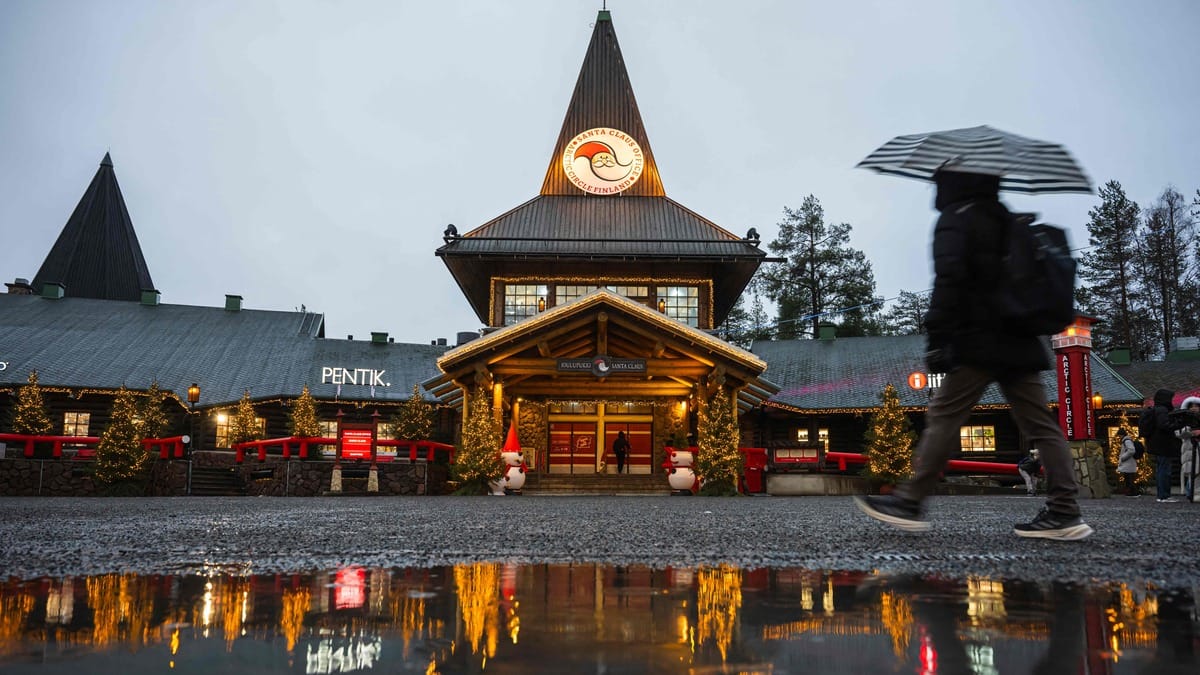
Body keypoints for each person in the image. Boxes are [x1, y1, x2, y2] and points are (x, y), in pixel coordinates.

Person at [854, 168, 1093, 541]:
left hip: (978, 338)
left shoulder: (957, 219)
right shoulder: (1007, 218)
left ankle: (910, 502)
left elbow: (949, 281)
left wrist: (937, 337)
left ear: (952, 184)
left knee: (945, 414)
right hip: (1020, 338)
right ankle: (1065, 510)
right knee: (1042, 426)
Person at [1145, 388, 1182, 503]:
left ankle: (1162, 495)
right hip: (1164, 445)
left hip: (1157, 444)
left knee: (1161, 469)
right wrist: (1178, 424)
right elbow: (1164, 425)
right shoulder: (1162, 410)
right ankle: (1164, 495)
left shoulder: (1156, 409)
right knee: (1165, 470)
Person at [1173, 396, 1200, 502]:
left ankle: (1193, 493)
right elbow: (1178, 433)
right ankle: (1193, 494)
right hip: (1189, 450)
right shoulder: (1183, 419)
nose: (1194, 408)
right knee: (1192, 473)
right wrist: (1189, 431)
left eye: (1196, 406)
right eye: (1191, 406)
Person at [1116, 428, 1141, 497]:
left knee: (1129, 478)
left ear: (1122, 435)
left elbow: (1131, 450)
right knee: (1129, 478)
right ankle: (1131, 493)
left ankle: (1133, 493)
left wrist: (1123, 457)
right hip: (1129, 463)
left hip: (1128, 463)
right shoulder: (1127, 440)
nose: (1119, 437)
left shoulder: (1126, 441)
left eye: (1119, 435)